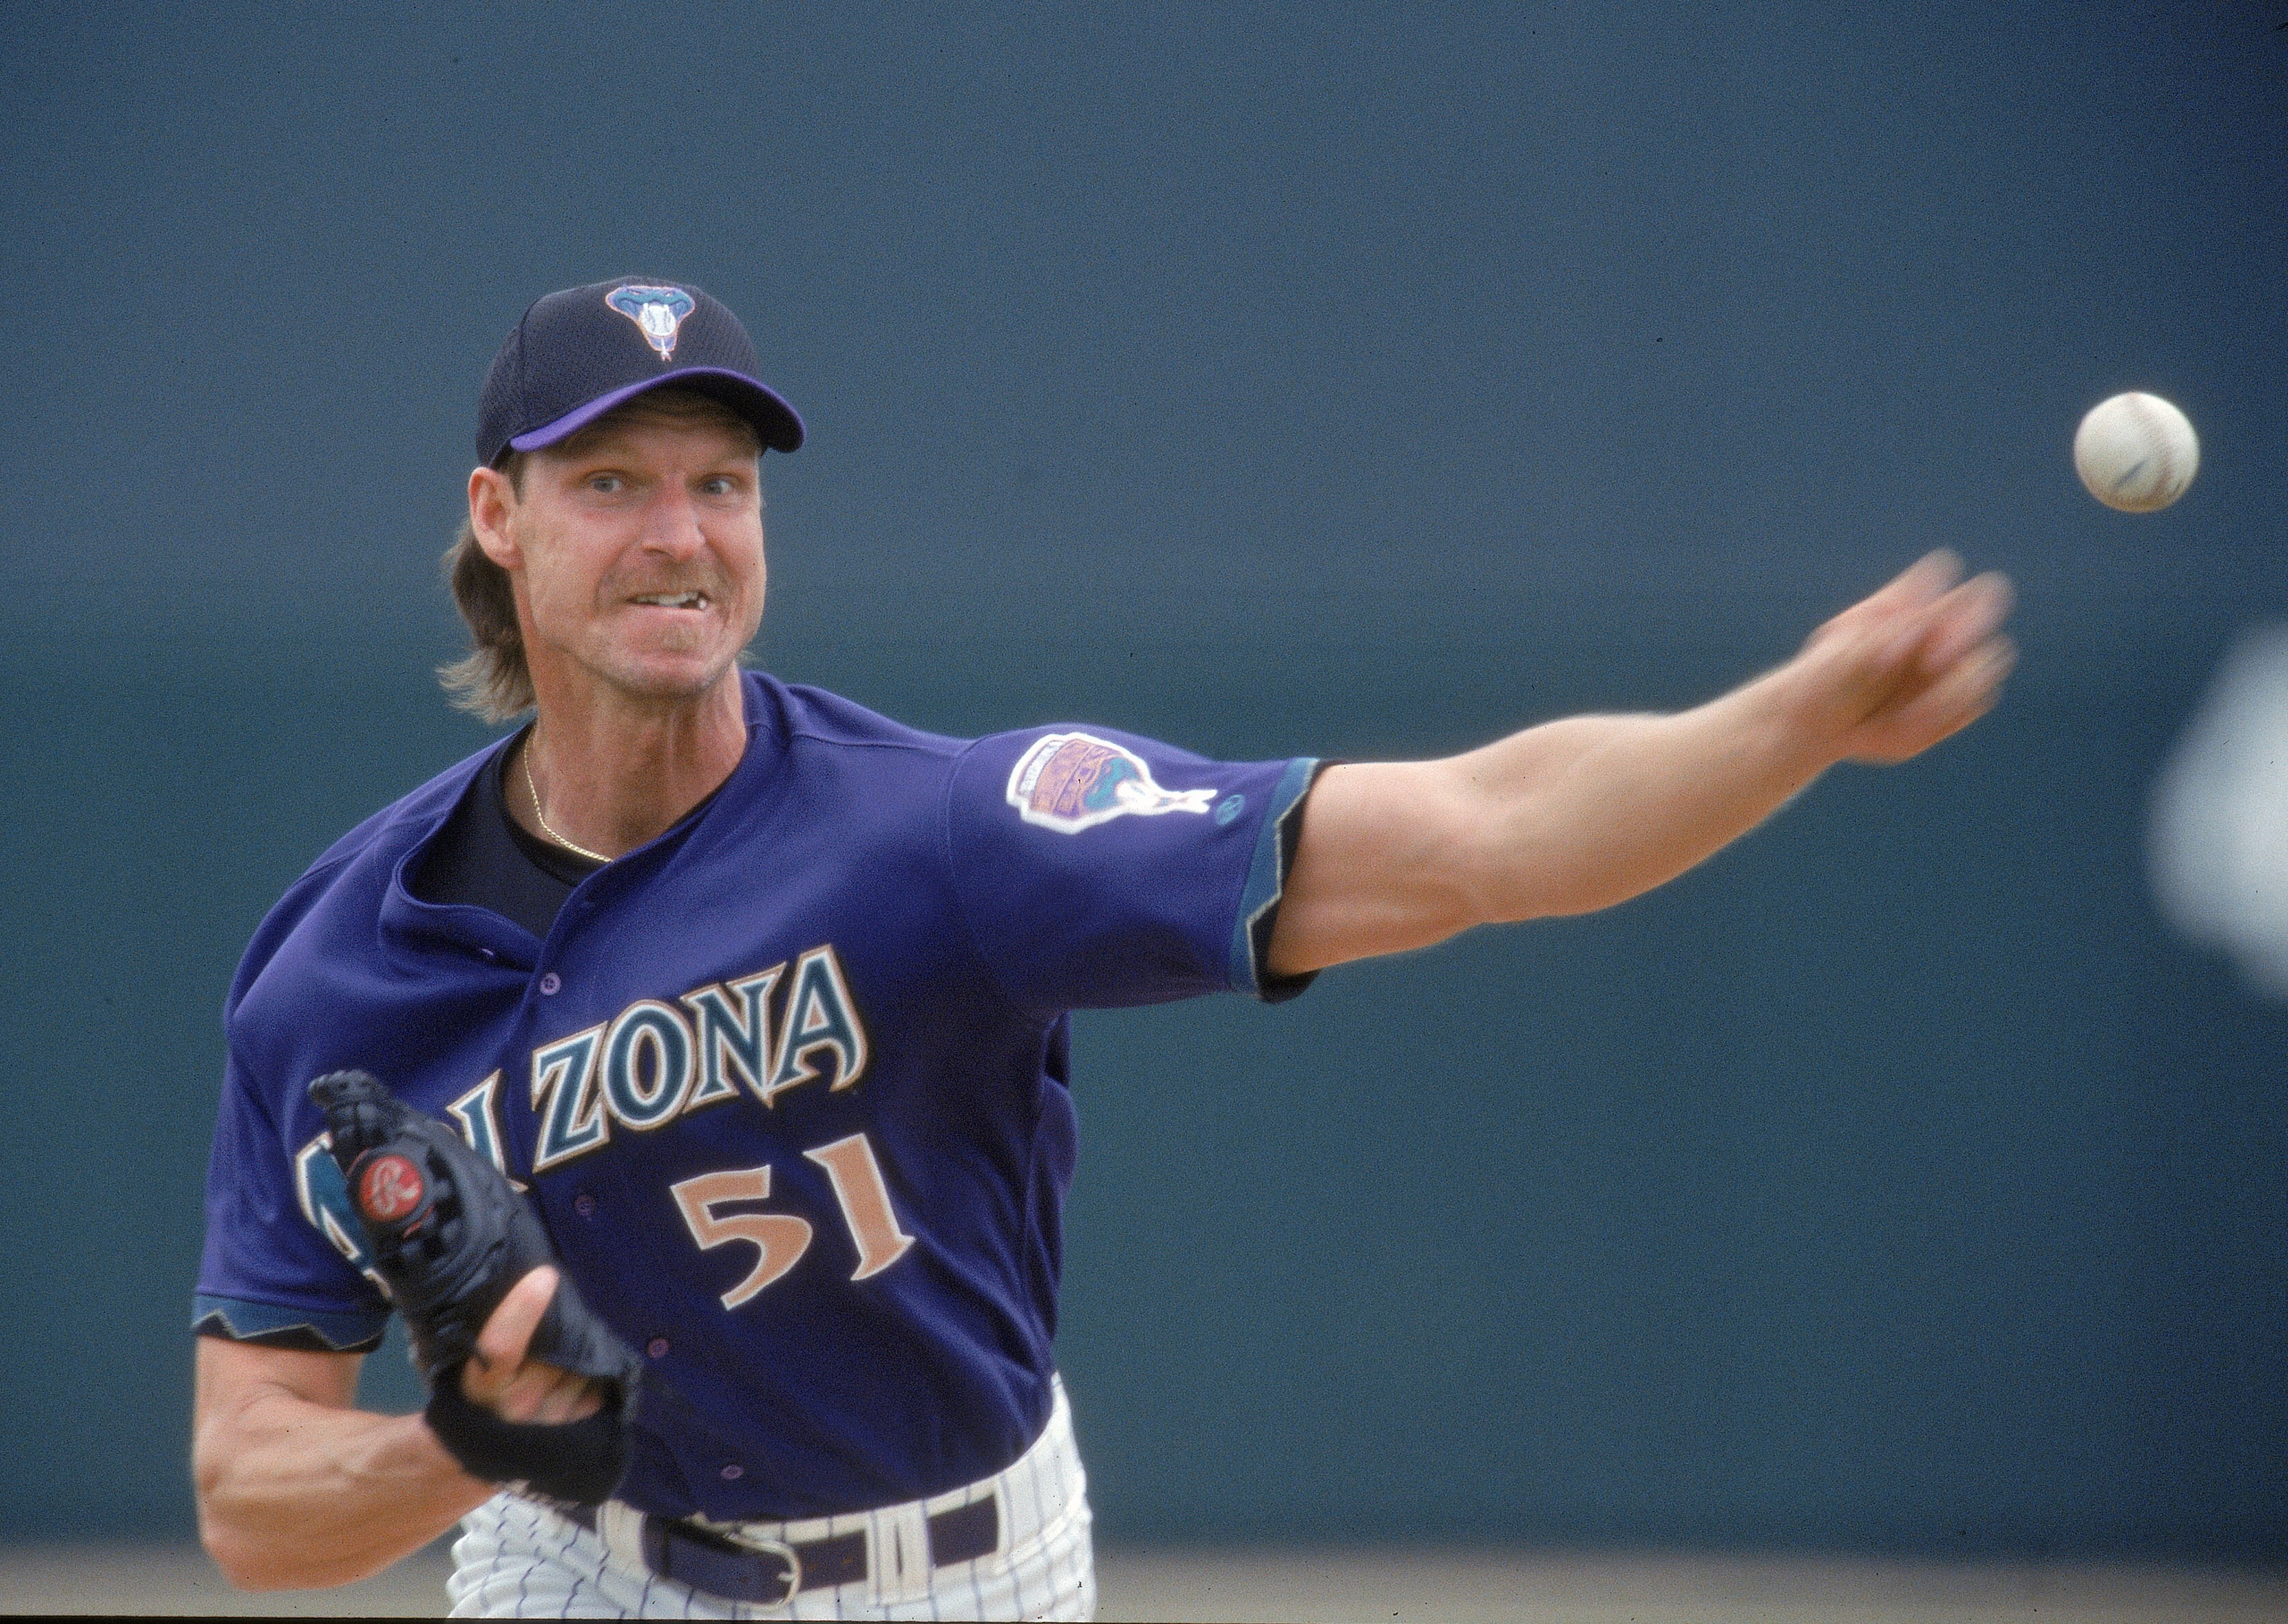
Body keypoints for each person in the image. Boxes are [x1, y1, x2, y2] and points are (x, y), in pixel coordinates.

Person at [189, 278, 2014, 1619]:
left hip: (948, 1578)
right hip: (570, 1572)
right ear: (497, 517)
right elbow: (249, 1495)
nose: (680, 533)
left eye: (723, 482)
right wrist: (475, 1448)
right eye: (612, 484)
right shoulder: (342, 968)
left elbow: (1485, 838)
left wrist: (1790, 718)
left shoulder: (942, 837)